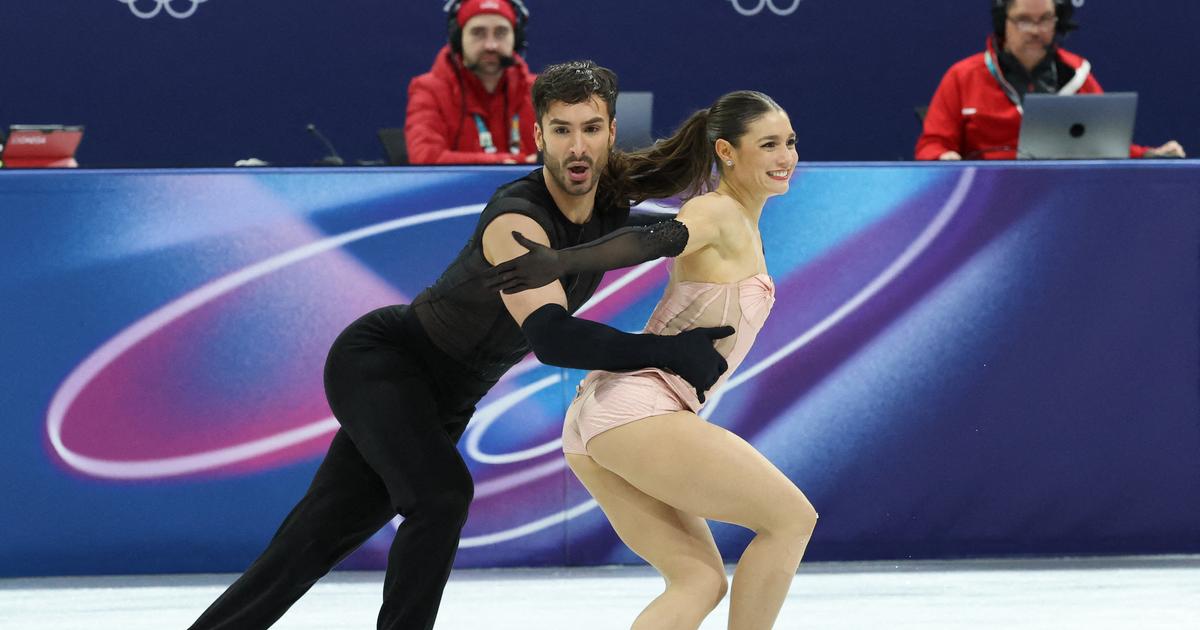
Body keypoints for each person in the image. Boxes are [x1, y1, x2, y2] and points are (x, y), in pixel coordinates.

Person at [187, 61, 735, 630]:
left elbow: (685, 163)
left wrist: (747, 166)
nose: (578, 146)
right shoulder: (517, 219)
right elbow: (552, 337)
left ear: (612, 132)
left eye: (591, 129)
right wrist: (668, 351)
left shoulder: (611, 191)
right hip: (386, 363)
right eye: (563, 129)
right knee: (442, 497)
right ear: (538, 135)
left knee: (314, 540)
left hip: (445, 398)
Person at [487, 91, 819, 629]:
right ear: (727, 153)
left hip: (607, 417)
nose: (786, 156)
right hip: (638, 410)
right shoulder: (716, 211)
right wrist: (560, 261)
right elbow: (652, 241)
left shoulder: (739, 220)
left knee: (699, 581)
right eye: (769, 144)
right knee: (790, 519)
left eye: (790, 142)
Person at [915, 0, 1186, 160]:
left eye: (1045, 19)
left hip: (1062, 199)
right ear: (1003, 23)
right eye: (1023, 20)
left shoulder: (1078, 75)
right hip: (984, 202)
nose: (1035, 31)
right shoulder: (962, 76)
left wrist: (1151, 155)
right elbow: (931, 144)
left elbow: (1106, 146)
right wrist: (943, 157)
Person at [404, 0, 540, 165]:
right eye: (478, 33)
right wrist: (513, 162)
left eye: (501, 33)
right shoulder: (428, 90)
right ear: (458, 38)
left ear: (516, 38)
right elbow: (425, 158)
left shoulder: (539, 91)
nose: (491, 45)